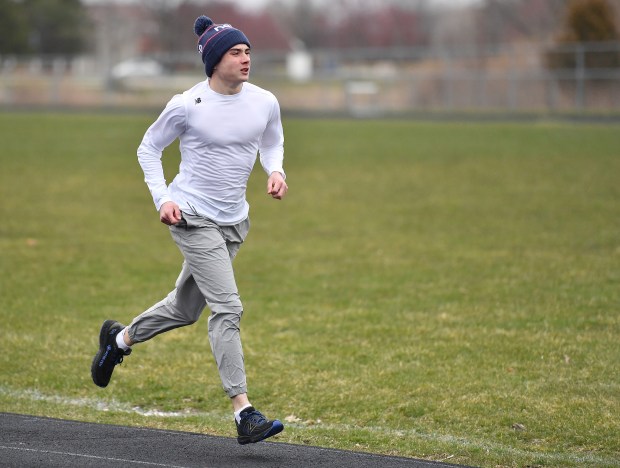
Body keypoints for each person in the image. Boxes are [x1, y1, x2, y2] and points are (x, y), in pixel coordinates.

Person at [91, 15, 288, 445]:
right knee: (228, 309)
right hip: (192, 216)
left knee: (184, 309)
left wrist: (275, 170)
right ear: (215, 60)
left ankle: (118, 341)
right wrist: (164, 198)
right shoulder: (186, 104)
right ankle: (244, 413)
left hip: (236, 221)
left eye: (247, 51)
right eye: (235, 52)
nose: (245, 58)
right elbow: (149, 148)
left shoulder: (264, 101)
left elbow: (271, 139)